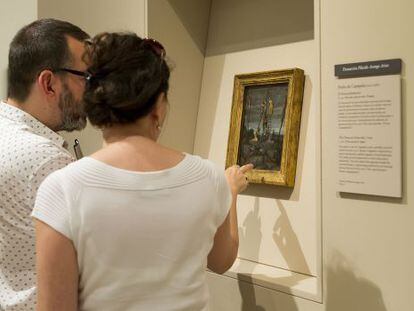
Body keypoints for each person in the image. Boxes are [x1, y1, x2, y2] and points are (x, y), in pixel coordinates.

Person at [32, 32, 253, 311]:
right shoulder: (208, 177)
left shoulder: (62, 188)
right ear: (158, 107)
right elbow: (221, 261)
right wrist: (230, 191)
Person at [0, 19, 89, 310]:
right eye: (85, 78)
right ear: (48, 83)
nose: (91, 91)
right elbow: (89, 263)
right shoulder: (47, 160)